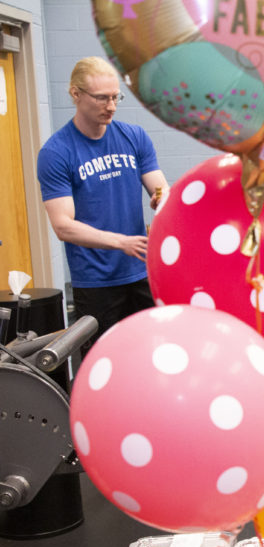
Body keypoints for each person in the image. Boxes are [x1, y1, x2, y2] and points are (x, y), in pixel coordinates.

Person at [37, 56, 168, 353]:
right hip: (95, 282)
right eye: (101, 98)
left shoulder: (134, 137)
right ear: (75, 94)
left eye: (115, 97)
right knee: (104, 361)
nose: (110, 106)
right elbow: (63, 226)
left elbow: (159, 185)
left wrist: (161, 197)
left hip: (141, 273)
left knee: (152, 354)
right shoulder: (56, 153)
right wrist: (120, 242)